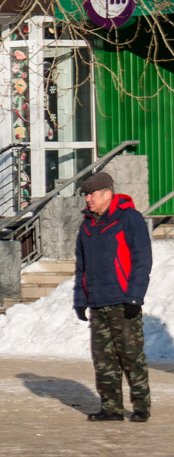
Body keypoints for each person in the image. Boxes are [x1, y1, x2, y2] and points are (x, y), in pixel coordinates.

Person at [74, 172, 152, 423]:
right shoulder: (87, 225)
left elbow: (142, 260)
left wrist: (134, 297)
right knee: (104, 360)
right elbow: (81, 266)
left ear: (107, 193)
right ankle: (111, 408)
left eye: (92, 194)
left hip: (123, 301)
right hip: (98, 302)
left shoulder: (129, 218)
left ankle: (141, 407)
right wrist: (80, 299)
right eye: (85, 194)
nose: (88, 199)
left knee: (131, 355)